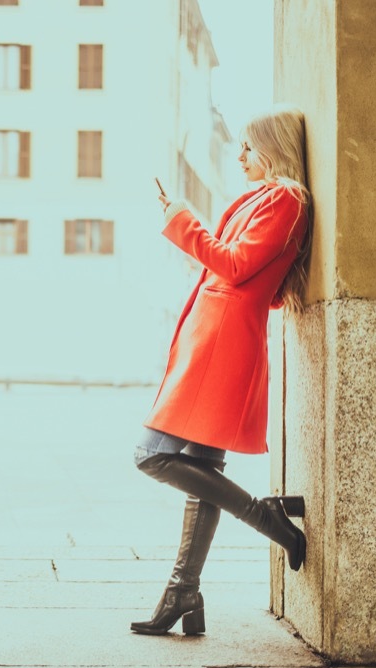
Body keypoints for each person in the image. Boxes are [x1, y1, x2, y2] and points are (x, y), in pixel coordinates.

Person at [130, 106, 312, 636]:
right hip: (218, 340)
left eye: (250, 148)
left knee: (150, 455)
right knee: (200, 475)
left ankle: (266, 518)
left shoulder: (284, 199)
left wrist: (182, 220)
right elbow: (262, 282)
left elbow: (232, 265)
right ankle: (183, 591)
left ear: (275, 150)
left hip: (220, 347)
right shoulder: (271, 199)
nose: (240, 156)